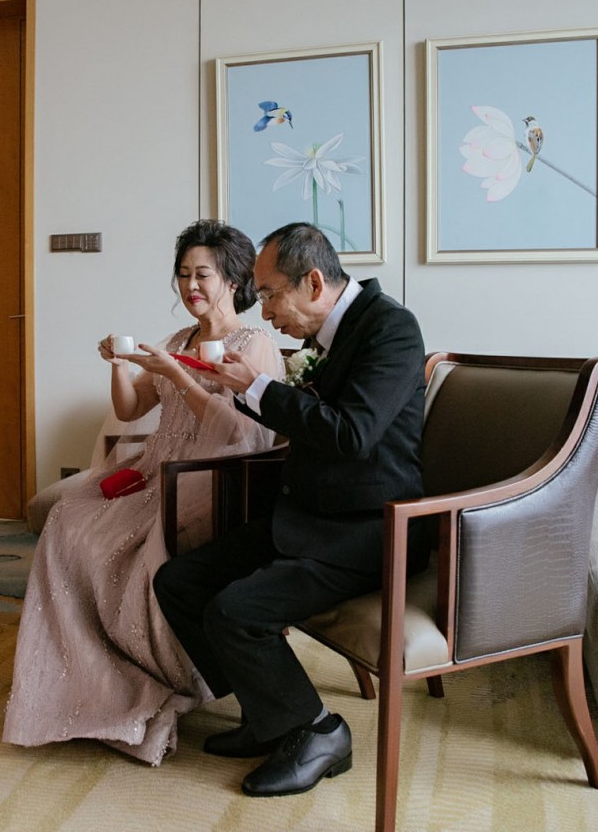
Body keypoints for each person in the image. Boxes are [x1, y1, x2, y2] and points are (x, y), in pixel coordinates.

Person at [153, 222, 428, 797]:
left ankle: (318, 730)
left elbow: (351, 434)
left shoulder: (390, 328)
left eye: (270, 293)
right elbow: (307, 423)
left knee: (234, 613)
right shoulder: (326, 336)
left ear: (314, 283)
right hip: (308, 516)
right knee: (178, 582)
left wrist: (256, 387)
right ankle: (268, 714)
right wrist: (234, 390)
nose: (263, 308)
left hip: (366, 530)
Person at [3, 220, 284, 765]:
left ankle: (150, 671)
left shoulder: (255, 344)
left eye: (203, 274)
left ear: (233, 280)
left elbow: (243, 434)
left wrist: (177, 376)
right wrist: (118, 366)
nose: (190, 286)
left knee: (129, 548)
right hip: (156, 472)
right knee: (66, 519)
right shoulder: (177, 341)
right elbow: (131, 408)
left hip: (211, 482)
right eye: (183, 274)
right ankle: (86, 672)